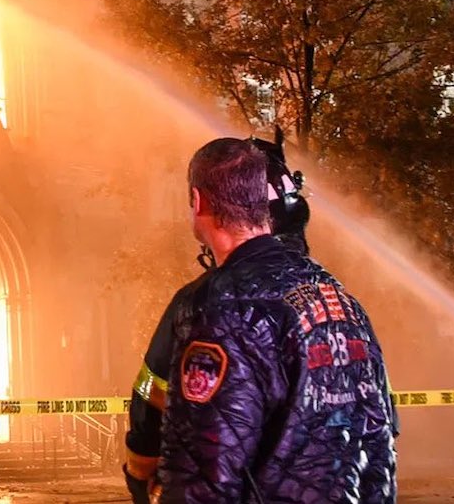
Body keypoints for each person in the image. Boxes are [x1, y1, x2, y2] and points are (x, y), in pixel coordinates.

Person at [155, 136, 396, 503]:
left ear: (198, 201)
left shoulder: (223, 308)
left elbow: (203, 475)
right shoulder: (340, 299)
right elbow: (380, 441)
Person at [124, 135, 313, 503]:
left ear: (199, 202)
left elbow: (152, 403)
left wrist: (141, 472)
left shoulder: (205, 304)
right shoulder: (337, 302)